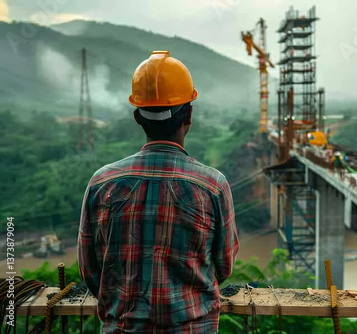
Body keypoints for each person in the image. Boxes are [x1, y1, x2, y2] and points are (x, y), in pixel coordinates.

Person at [78, 50, 239, 333]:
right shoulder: (213, 185)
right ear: (188, 115)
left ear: (138, 117)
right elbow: (223, 266)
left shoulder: (102, 182)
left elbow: (91, 271)